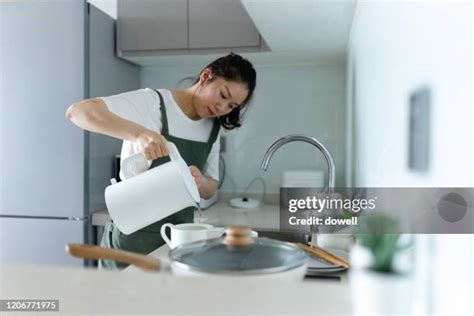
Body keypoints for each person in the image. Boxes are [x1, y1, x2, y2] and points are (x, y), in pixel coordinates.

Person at [66, 53, 257, 269]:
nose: (222, 108)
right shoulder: (152, 103)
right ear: (206, 76)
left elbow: (210, 187)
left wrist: (200, 182)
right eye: (222, 95)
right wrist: (138, 134)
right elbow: (78, 112)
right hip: (132, 239)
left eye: (231, 105)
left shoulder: (212, 126)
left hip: (178, 244)